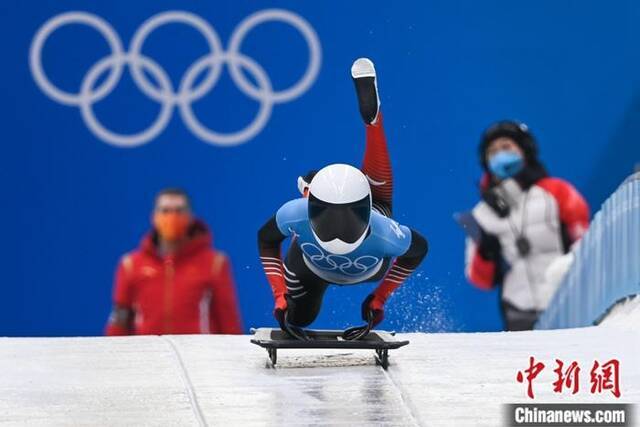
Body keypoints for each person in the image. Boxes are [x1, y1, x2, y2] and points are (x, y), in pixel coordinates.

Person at [257, 58, 428, 339]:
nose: (338, 231)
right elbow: (418, 250)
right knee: (299, 317)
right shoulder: (296, 215)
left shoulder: (383, 232)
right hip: (328, 262)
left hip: (330, 251)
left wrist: (380, 297)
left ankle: (373, 126)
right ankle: (372, 124)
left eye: (349, 219)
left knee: (378, 203)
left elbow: (266, 239)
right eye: (327, 217)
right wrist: (379, 297)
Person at [463, 121, 590, 331]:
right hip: (518, 315)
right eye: (492, 152)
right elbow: (479, 280)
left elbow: (585, 244)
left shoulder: (559, 191)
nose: (499, 155)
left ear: (525, 150)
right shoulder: (481, 215)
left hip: (570, 301)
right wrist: (485, 254)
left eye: (506, 147)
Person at [105, 188, 242, 335]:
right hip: (148, 355)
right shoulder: (130, 265)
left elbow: (229, 323)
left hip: (198, 355)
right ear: (154, 217)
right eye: (165, 211)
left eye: (179, 211)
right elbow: (119, 321)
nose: (172, 217)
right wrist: (110, 355)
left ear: (190, 217)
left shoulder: (215, 263)